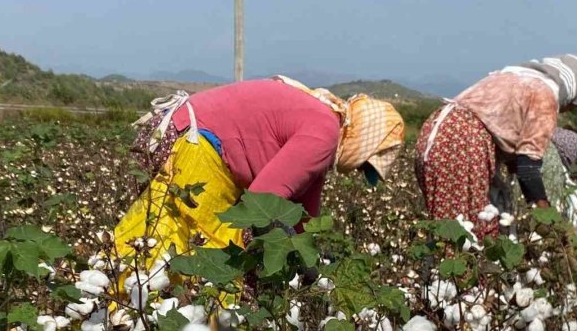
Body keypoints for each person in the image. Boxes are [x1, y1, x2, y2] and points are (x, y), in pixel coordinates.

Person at [113, 77, 405, 268]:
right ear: (363, 144)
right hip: (192, 147)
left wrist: (308, 262)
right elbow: (262, 201)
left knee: (164, 253)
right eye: (363, 165)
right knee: (196, 265)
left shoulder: (322, 124)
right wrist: (295, 267)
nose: (355, 171)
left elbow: (303, 218)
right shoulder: (323, 132)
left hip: (182, 136)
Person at [414, 54, 577, 238]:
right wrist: (553, 225)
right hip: (463, 143)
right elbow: (528, 169)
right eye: (572, 105)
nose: (567, 109)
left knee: (445, 225)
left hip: (436, 132)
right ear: (574, 90)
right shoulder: (544, 95)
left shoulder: (512, 76)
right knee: (466, 235)